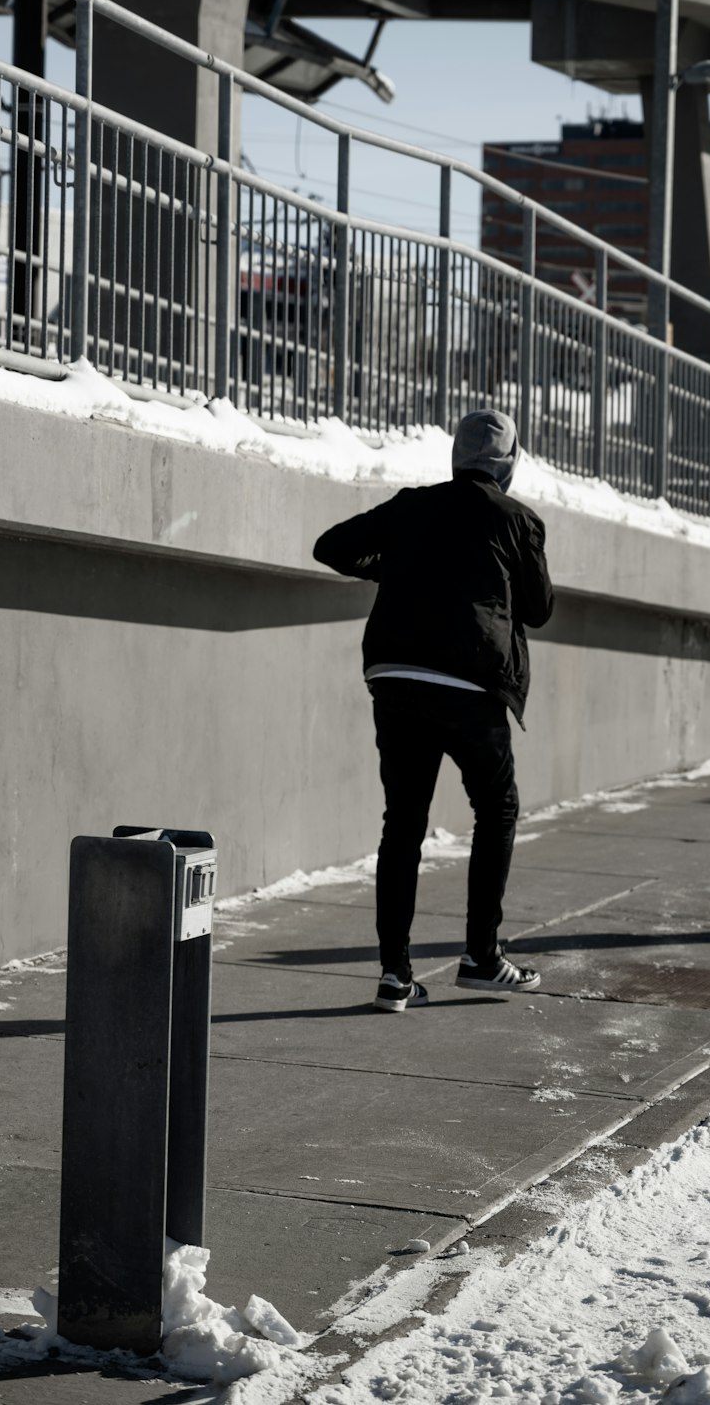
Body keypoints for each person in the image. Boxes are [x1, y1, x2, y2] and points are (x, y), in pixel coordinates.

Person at [313, 408, 554, 1013]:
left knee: (403, 823)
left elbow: (332, 547)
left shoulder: (410, 506)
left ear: (456, 458)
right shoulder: (516, 519)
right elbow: (539, 606)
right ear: (509, 463)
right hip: (470, 683)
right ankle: (481, 957)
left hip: (395, 679)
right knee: (496, 810)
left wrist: (390, 569)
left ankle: (394, 975)